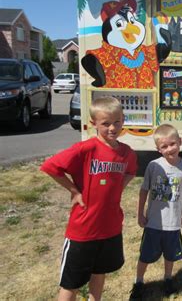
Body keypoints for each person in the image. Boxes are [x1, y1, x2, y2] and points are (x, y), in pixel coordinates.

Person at [40, 96, 137, 301]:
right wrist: (74, 191)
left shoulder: (126, 152)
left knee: (99, 271)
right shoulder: (86, 149)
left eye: (117, 122)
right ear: (94, 124)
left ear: (123, 119)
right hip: (83, 230)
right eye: (106, 123)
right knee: (70, 284)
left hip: (109, 227)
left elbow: (131, 171)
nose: (112, 128)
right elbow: (51, 167)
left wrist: (119, 186)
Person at [129, 124, 182, 299]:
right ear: (158, 149)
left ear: (180, 142)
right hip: (154, 222)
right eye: (164, 146)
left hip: (173, 223)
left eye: (172, 144)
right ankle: (139, 282)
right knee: (145, 255)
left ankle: (167, 279)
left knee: (170, 255)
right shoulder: (153, 166)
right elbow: (144, 190)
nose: (169, 149)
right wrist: (140, 213)